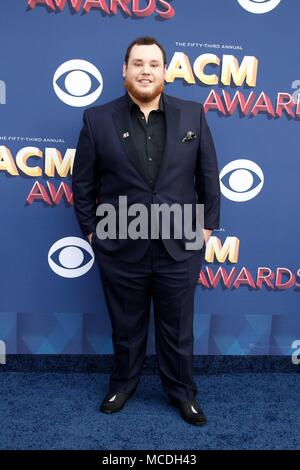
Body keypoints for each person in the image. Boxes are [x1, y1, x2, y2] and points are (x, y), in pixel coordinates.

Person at [72, 37, 220, 425]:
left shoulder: (193, 114)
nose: (145, 71)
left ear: (165, 72)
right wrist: (93, 234)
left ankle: (183, 393)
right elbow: (83, 185)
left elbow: (208, 177)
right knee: (126, 326)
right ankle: (123, 384)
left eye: (153, 64)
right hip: (120, 243)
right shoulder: (97, 119)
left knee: (178, 330)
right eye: (137, 63)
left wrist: (205, 230)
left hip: (181, 244)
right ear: (125, 70)